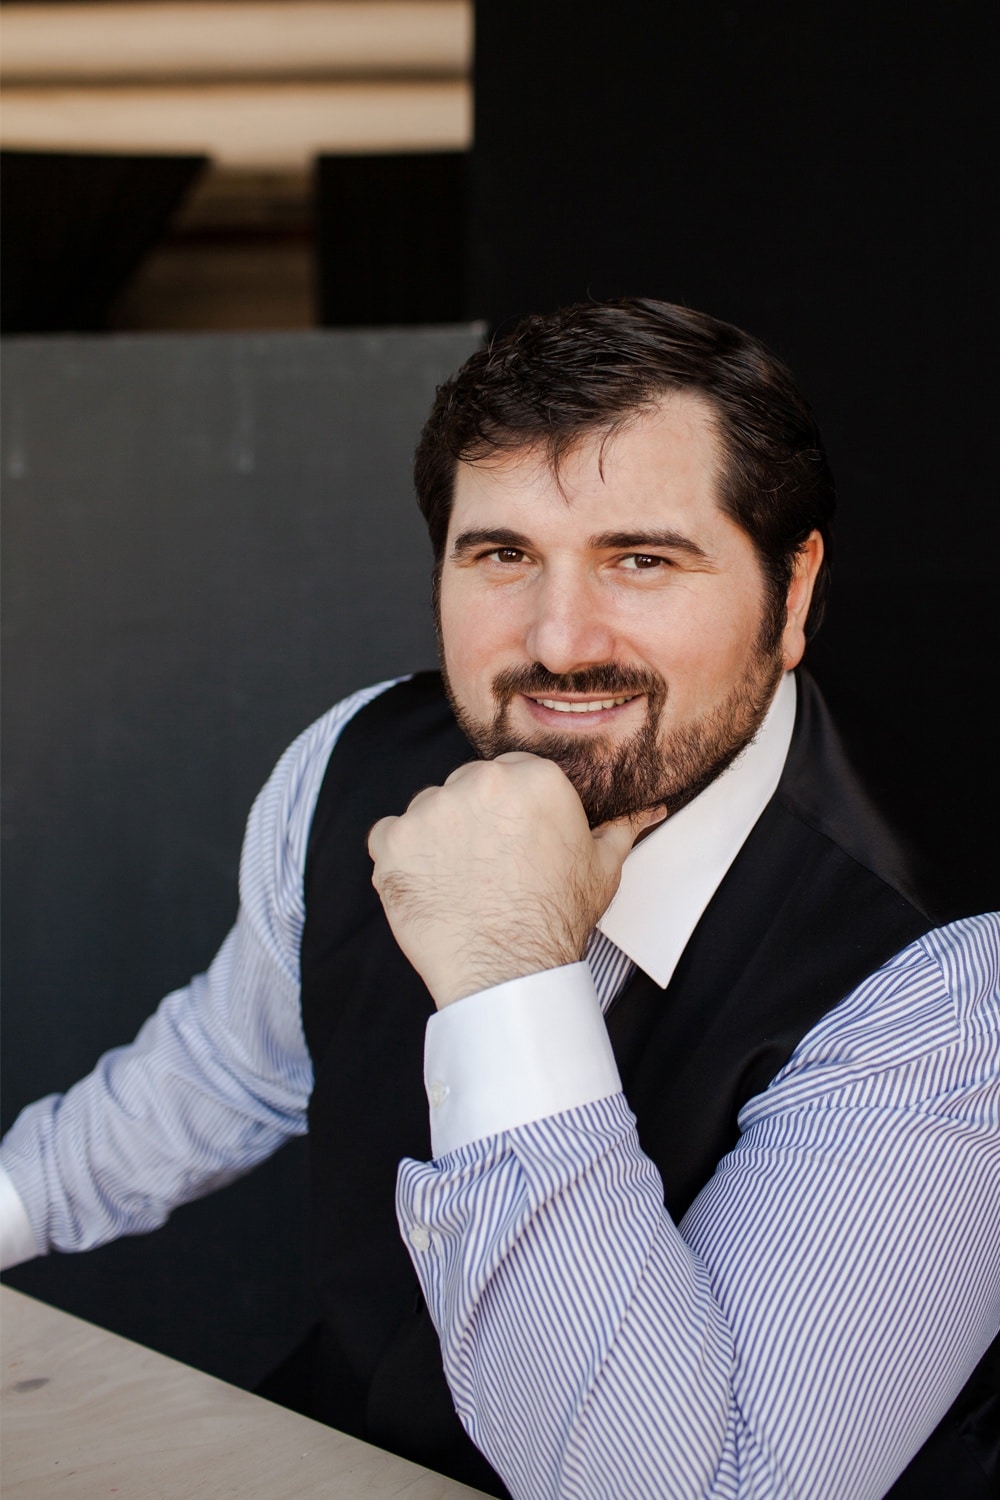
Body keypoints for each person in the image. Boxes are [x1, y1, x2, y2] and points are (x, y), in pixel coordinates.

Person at [1, 300, 996, 1499]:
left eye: (642, 559)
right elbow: (230, 1069)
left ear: (791, 596)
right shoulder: (354, 759)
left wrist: (505, 972)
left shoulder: (943, 980)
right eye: (502, 556)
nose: (560, 642)